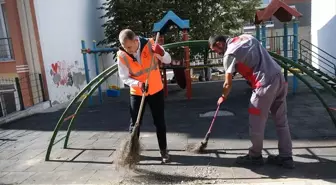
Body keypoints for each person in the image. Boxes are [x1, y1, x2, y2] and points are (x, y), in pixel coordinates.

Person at [208, 34, 295, 169]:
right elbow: (251, 59)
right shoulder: (247, 37)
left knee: (256, 123)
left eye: (215, 50)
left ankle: (255, 156)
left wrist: (223, 97)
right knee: (281, 121)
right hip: (280, 79)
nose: (218, 53)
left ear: (220, 43)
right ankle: (286, 157)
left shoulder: (229, 53)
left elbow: (227, 83)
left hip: (264, 84)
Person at [117, 29, 171, 163]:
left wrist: (161, 52)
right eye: (124, 47)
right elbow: (124, 77)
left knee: (159, 122)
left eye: (129, 46)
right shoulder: (122, 55)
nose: (127, 49)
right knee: (135, 123)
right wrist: (137, 83)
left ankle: (164, 151)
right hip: (137, 92)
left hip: (155, 90)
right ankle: (132, 152)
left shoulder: (151, 44)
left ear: (136, 41)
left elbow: (168, 60)